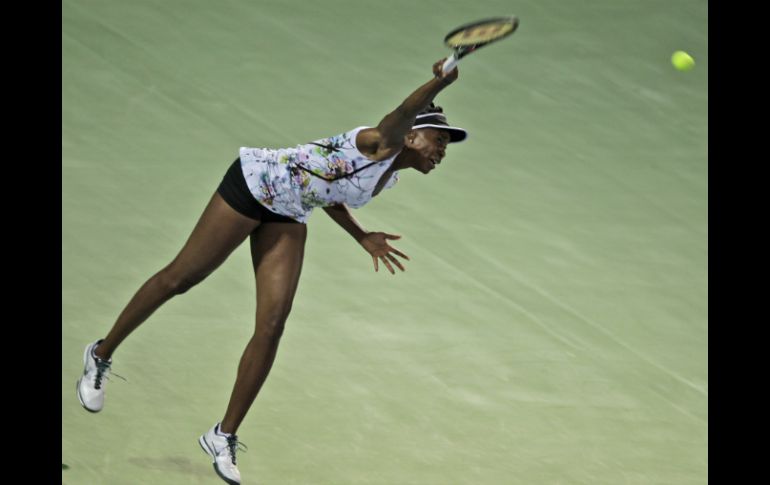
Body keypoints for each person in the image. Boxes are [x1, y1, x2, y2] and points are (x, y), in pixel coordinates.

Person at [76, 58, 467, 485]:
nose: (443, 150)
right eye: (439, 139)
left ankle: (223, 435)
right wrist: (437, 83)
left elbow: (329, 189)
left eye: (447, 144)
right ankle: (100, 354)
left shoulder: (387, 177)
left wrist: (360, 236)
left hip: (289, 211)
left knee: (273, 324)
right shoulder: (379, 142)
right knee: (181, 279)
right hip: (254, 184)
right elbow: (401, 112)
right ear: (411, 136)